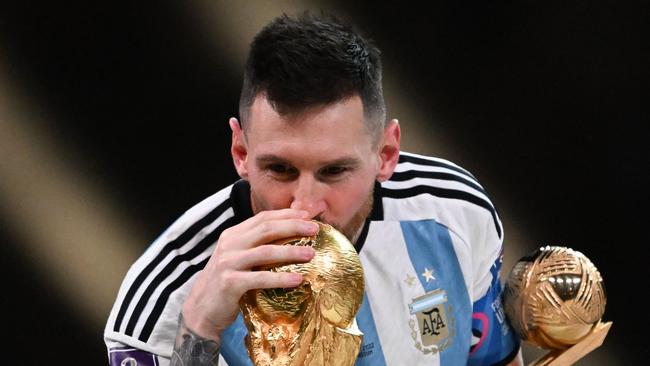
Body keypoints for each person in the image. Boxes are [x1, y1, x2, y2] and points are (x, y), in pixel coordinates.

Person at [105, 12, 523, 366]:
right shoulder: (165, 294)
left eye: (334, 170)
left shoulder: (454, 213)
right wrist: (198, 328)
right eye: (280, 169)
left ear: (386, 153)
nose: (305, 206)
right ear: (240, 151)